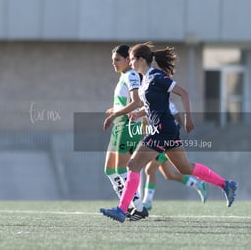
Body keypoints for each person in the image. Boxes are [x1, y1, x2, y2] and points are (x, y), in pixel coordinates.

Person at [100, 42, 237, 223]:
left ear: (141, 59)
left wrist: (188, 117)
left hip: (161, 130)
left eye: (132, 59)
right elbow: (153, 107)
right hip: (166, 130)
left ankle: (122, 210)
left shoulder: (156, 76)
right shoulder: (145, 80)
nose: (130, 63)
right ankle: (226, 185)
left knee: (133, 165)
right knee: (185, 168)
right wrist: (138, 113)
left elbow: (184, 93)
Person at [101, 45, 148, 221]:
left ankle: (139, 207)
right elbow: (127, 102)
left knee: (122, 168)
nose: (114, 63)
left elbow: (137, 102)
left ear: (128, 60)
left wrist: (115, 114)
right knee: (109, 169)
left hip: (128, 126)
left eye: (117, 60)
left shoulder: (131, 76)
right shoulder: (124, 76)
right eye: (113, 60)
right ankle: (127, 205)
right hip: (119, 125)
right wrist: (115, 110)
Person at [142, 102, 207, 210]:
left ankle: (147, 201)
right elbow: (144, 126)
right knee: (170, 175)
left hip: (165, 143)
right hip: (154, 142)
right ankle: (198, 185)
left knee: (149, 170)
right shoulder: (145, 103)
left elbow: (179, 122)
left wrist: (166, 134)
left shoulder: (167, 104)